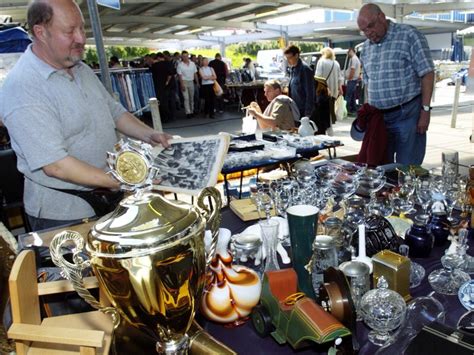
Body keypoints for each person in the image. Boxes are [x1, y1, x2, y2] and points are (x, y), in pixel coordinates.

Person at [0, 0, 170, 231]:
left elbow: (115, 112)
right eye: (69, 31)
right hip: (64, 214)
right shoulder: (23, 87)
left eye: (82, 28)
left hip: (111, 195)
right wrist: (128, 180)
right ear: (41, 32)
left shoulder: (81, 68)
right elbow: (56, 166)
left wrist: (150, 135)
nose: (81, 39)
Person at [357, 3, 434, 165]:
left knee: (407, 169)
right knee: (381, 169)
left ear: (382, 17)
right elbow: (368, 82)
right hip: (379, 119)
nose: (369, 33)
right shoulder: (366, 48)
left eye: (370, 26)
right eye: (364, 30)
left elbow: (427, 73)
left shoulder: (409, 35)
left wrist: (425, 111)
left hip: (407, 115)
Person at [284, 45, 314, 119]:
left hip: (303, 110)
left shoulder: (305, 70)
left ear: (296, 55)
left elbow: (310, 93)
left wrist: (307, 113)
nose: (288, 60)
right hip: (295, 108)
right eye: (286, 58)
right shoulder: (293, 69)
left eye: (290, 58)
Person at [315, 47, 343, 125]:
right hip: (333, 91)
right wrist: (340, 88)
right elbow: (339, 78)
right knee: (331, 108)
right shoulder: (336, 63)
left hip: (323, 90)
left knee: (322, 109)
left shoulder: (321, 62)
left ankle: (325, 125)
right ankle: (330, 123)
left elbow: (318, 76)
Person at [150, 52, 174, 122]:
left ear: (158, 58)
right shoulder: (169, 63)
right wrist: (167, 81)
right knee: (170, 101)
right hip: (169, 85)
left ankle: (165, 117)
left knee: (162, 102)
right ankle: (171, 116)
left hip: (159, 85)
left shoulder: (155, 65)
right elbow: (171, 73)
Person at [177, 50, 198, 119]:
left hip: (191, 81)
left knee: (192, 97)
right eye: (184, 56)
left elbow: (195, 73)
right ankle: (188, 112)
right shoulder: (180, 65)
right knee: (186, 98)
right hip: (184, 81)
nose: (185, 57)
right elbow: (179, 75)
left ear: (188, 56)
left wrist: (197, 82)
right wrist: (181, 84)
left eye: (186, 56)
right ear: (182, 57)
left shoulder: (192, 64)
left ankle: (192, 111)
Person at [344, 48, 361, 115]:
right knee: (353, 95)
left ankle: (346, 110)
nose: (347, 54)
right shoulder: (356, 58)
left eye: (348, 52)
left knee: (348, 95)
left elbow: (352, 69)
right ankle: (353, 109)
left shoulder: (353, 59)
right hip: (355, 79)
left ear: (351, 51)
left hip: (352, 79)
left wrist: (350, 78)